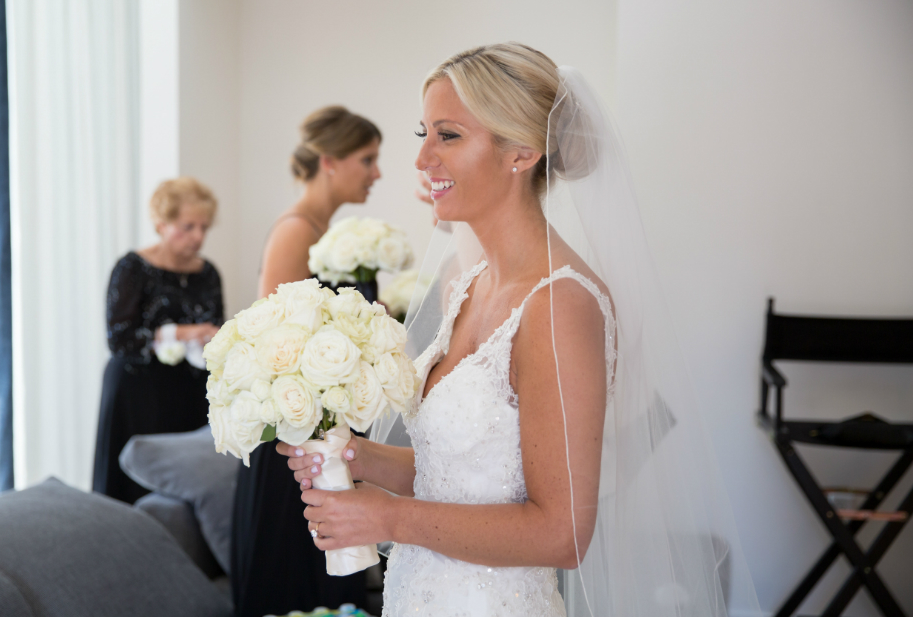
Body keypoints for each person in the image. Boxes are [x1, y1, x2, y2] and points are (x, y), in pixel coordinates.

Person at [279, 44, 761, 617]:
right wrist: (359, 456)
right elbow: (457, 473)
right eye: (423, 134)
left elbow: (562, 533)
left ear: (522, 152)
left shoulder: (560, 305)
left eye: (448, 136)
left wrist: (388, 517)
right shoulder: (469, 282)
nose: (422, 160)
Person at [231, 106, 382, 617]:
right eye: (368, 159)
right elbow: (277, 349)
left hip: (323, 437)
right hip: (293, 447)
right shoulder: (297, 232)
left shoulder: (330, 233)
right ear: (330, 161)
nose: (377, 173)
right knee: (295, 589)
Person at [93, 177, 223, 504]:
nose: (198, 236)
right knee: (130, 491)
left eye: (204, 227)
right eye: (188, 226)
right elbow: (120, 339)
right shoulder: (132, 268)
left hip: (190, 393)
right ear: (161, 224)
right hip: (136, 392)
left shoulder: (208, 273)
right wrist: (181, 333)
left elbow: (216, 329)